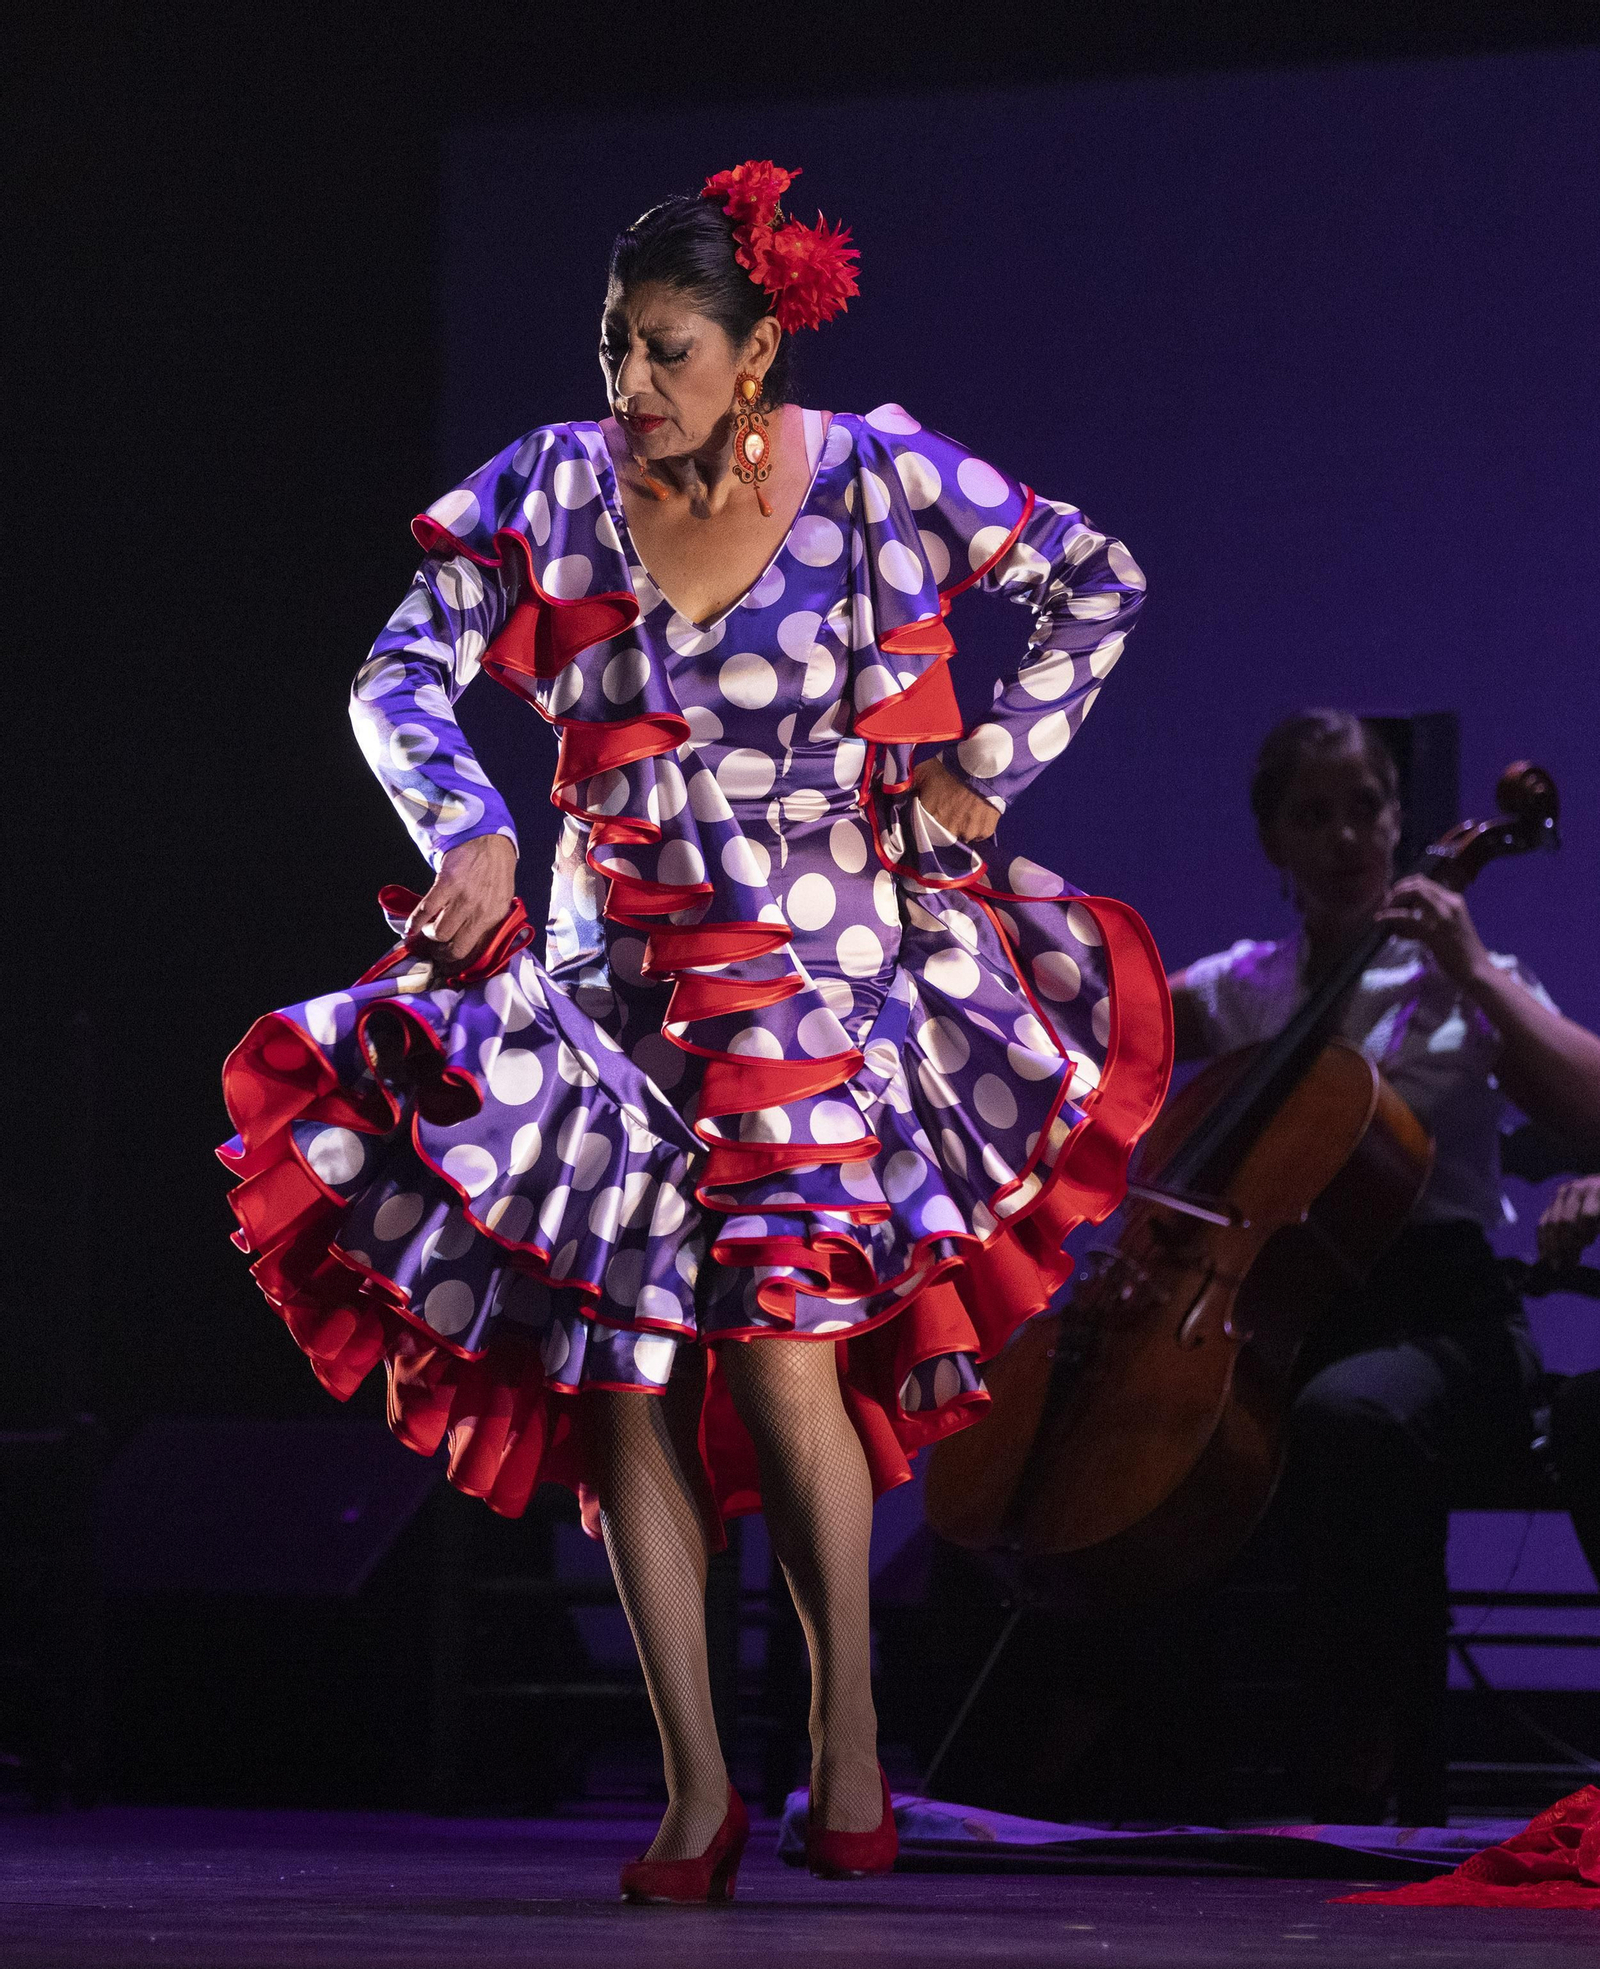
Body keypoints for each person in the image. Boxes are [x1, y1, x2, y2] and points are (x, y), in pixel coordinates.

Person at [218, 160, 1170, 1900]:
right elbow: (394, 675)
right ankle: (693, 1785)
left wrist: (972, 778)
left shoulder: (876, 473)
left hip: (815, 988)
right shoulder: (547, 491)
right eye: (613, 345)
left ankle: (850, 1745)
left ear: (754, 356)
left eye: (666, 350)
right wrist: (474, 829)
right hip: (606, 995)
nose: (631, 383)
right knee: (617, 1375)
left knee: (786, 1341)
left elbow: (1095, 581)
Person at [1167, 709, 1600, 1819]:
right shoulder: (1245, 988)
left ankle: (1369, 1771)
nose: (1346, 836)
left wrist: (1469, 964)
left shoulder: (1468, 977)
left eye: (1366, 808)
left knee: (1349, 1420)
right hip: (1292, 1311)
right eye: (1313, 815)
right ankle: (1163, 1761)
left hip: (1444, 1319)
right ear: (1273, 840)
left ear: (1401, 820)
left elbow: (1594, 1109)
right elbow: (1124, 1037)